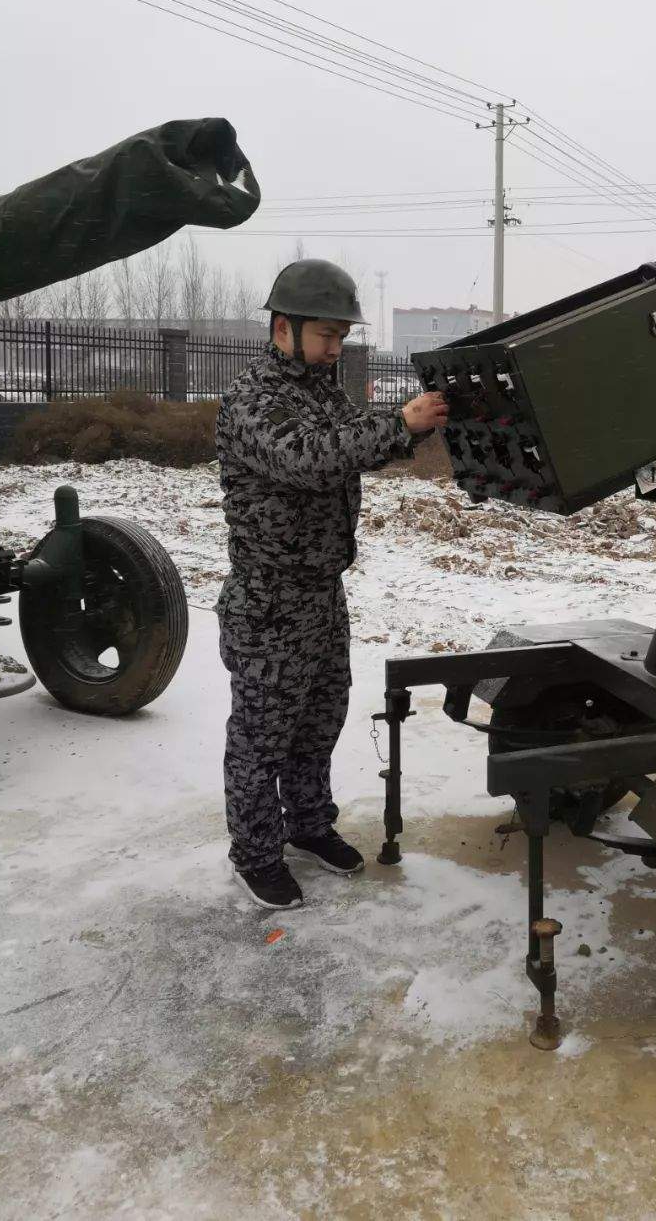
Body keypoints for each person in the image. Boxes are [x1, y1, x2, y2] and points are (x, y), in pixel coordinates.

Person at [214, 259, 448, 909]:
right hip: (270, 597)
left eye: (341, 337)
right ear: (282, 327)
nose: (334, 348)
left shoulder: (323, 389)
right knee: (262, 735)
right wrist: (400, 424)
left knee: (320, 717)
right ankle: (256, 851)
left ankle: (309, 824)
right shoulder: (253, 398)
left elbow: (351, 441)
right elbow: (310, 459)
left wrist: (408, 432)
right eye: (325, 335)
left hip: (321, 592)